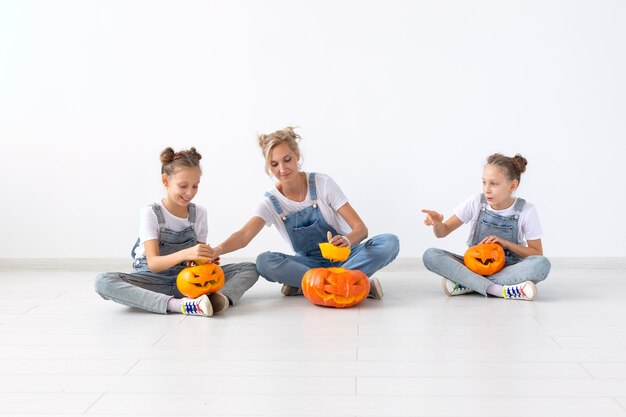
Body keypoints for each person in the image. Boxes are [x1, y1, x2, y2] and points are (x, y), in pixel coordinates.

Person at [206, 127, 399, 298]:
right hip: (309, 264)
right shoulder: (270, 201)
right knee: (265, 262)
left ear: (297, 155)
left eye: (287, 159)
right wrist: (218, 250)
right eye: (274, 164)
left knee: (389, 242)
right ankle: (352, 283)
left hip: (347, 255)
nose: (282, 169)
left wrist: (347, 241)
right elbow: (244, 235)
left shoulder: (323, 183)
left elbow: (361, 229)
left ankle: (311, 285)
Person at [94, 147, 258, 316]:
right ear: (165, 181)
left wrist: (205, 261)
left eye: (195, 186)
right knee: (103, 281)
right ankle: (180, 305)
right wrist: (187, 253)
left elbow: (195, 263)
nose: (190, 193)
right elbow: (154, 264)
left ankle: (219, 300)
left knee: (249, 268)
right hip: (152, 280)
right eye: (183, 186)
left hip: (186, 280)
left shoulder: (199, 214)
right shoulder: (151, 213)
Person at [421, 153, 551, 301]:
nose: (487, 189)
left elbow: (537, 254)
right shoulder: (476, 202)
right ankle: (498, 289)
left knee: (542, 265)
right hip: (474, 267)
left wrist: (506, 243)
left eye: (493, 184)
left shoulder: (526, 210)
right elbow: (442, 233)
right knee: (431, 255)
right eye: (484, 182)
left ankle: (468, 283)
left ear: (513, 185)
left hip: (508, 269)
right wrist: (437, 224)